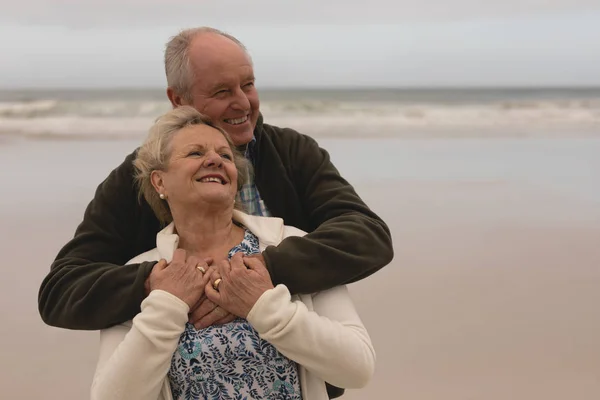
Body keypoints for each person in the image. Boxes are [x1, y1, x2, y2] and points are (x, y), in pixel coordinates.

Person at [38, 27, 392, 398]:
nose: (243, 102)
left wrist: (254, 275)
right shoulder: (137, 182)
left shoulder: (291, 154)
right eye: (222, 91)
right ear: (179, 100)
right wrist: (157, 284)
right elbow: (61, 290)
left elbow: (367, 236)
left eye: (248, 85)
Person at [91, 106, 375, 400]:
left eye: (225, 155)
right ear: (160, 181)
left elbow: (358, 368)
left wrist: (264, 306)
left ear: (236, 180)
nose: (214, 160)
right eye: (195, 153)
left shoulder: (292, 245)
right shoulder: (144, 273)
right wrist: (167, 305)